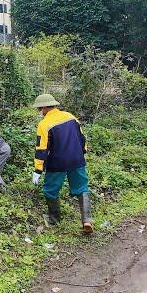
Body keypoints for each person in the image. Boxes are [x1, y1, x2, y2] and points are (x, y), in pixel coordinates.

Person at [31, 94, 93, 234]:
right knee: (82, 188)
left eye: (40, 108)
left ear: (45, 108)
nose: (39, 111)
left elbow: (41, 149)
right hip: (77, 159)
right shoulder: (70, 117)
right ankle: (87, 220)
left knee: (50, 189)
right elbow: (82, 138)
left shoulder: (44, 124)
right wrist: (82, 153)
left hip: (57, 162)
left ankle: (54, 218)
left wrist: (38, 170)